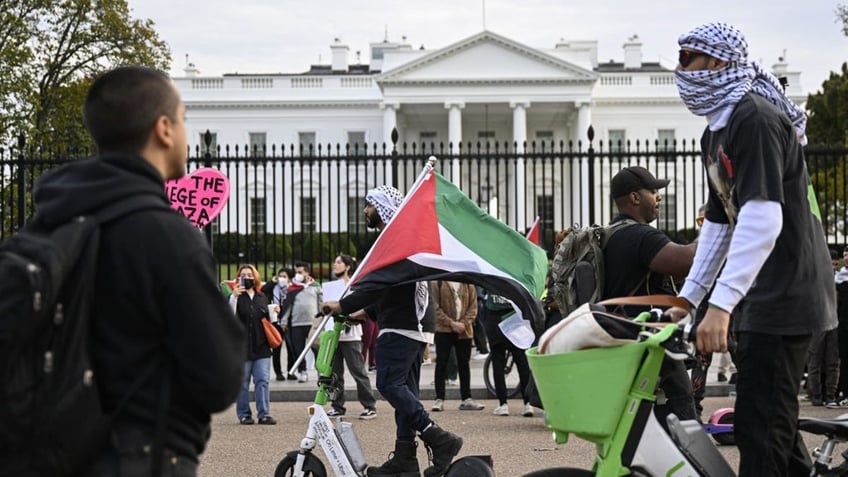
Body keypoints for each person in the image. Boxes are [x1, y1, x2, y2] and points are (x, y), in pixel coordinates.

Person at [33, 65, 245, 476]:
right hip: (141, 454)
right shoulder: (167, 235)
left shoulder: (49, 223)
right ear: (164, 129)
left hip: (53, 450)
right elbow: (219, 377)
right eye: (183, 120)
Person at [667, 22, 836, 476]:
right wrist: (688, 299)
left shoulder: (755, 118)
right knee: (771, 426)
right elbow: (721, 221)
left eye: (687, 58)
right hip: (763, 295)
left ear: (717, 61)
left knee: (761, 434)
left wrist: (719, 305)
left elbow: (763, 219)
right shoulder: (716, 132)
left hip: (786, 292)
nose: (679, 69)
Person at [322, 185, 463, 477]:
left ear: (383, 208)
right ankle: (405, 458)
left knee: (389, 384)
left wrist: (342, 305)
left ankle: (438, 437)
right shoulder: (399, 241)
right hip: (410, 324)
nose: (365, 210)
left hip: (401, 326)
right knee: (405, 392)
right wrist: (365, 313)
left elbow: (377, 284)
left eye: (370, 205)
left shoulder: (394, 241)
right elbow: (393, 287)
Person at [603, 165, 698, 425]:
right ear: (635, 197)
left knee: (639, 418)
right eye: (654, 190)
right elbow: (687, 261)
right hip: (648, 338)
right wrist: (715, 229)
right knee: (683, 410)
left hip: (622, 335)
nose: (659, 196)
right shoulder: (638, 236)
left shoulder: (613, 233)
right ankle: (685, 458)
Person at [325, 254, 378, 420]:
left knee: (358, 371)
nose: (335, 265)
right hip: (333, 334)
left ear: (348, 266)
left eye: (339, 262)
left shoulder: (355, 285)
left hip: (351, 335)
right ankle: (337, 405)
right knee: (334, 373)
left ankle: (369, 405)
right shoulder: (329, 286)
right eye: (335, 262)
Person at [230, 264, 279, 425]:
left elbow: (270, 321)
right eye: (243, 275)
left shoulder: (262, 296)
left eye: (250, 275)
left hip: (261, 345)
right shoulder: (235, 297)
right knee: (243, 382)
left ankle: (264, 413)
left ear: (255, 277)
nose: (247, 277)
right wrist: (234, 297)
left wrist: (275, 312)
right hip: (242, 346)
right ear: (238, 278)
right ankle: (244, 414)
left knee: (262, 380)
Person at [430, 280, 484, 412]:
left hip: (464, 331)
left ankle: (467, 398)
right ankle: (439, 398)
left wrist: (464, 323)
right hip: (444, 329)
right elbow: (434, 307)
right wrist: (451, 323)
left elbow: (473, 307)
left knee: (464, 364)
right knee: (441, 363)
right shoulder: (437, 282)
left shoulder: (468, 283)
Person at [484, 292, 535, 417]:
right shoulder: (512, 279)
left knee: (498, 362)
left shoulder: (492, 279)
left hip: (495, 321)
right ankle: (527, 402)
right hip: (513, 319)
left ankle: (503, 404)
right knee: (522, 363)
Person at [280, 261, 322, 382]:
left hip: (312, 323)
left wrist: (321, 320)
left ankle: (320, 371)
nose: (297, 274)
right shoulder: (292, 288)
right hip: (296, 323)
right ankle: (303, 372)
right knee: (298, 349)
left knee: (316, 348)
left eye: (300, 272)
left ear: (307, 273)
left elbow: (320, 303)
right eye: (296, 272)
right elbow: (287, 306)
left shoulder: (315, 286)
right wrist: (283, 321)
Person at [264, 267, 293, 381]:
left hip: (288, 321)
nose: (282, 279)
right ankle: (278, 372)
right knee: (277, 348)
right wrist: (273, 281)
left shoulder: (291, 289)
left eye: (284, 276)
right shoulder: (273, 287)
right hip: (275, 321)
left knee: (291, 348)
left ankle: (291, 371)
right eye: (280, 276)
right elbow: (263, 289)